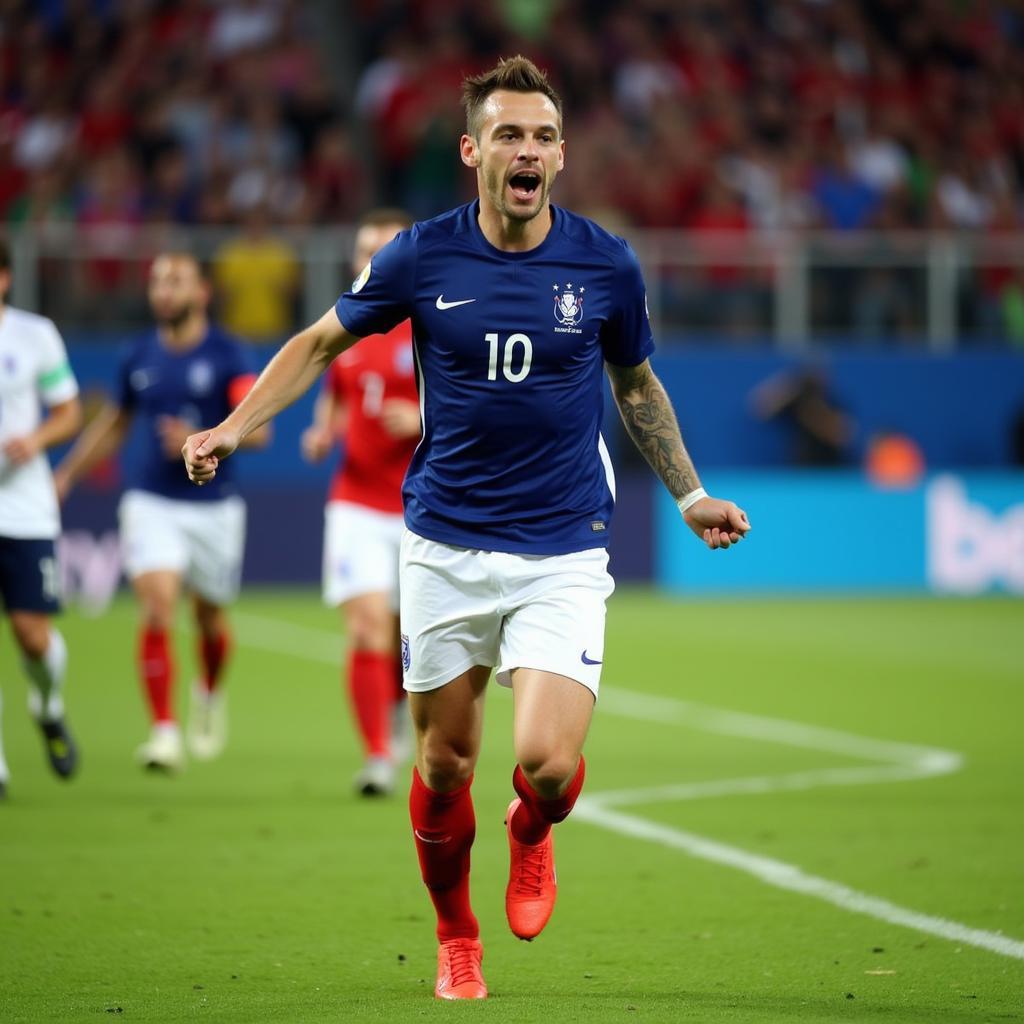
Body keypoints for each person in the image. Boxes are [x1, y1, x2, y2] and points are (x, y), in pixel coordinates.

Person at [182, 56, 750, 1000]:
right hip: (444, 545)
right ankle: (456, 935)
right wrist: (235, 428)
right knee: (444, 766)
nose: (525, 151)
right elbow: (322, 340)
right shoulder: (420, 254)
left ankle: (532, 832)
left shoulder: (606, 262)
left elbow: (636, 383)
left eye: (540, 136)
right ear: (472, 150)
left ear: (561, 155)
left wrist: (689, 497)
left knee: (548, 766)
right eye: (506, 135)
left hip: (564, 544)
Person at [55, 252, 269, 772]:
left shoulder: (227, 355)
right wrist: (65, 475)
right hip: (151, 499)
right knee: (157, 604)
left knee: (209, 618)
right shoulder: (139, 354)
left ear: (202, 293)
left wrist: (209, 440)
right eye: (156, 282)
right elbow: (114, 425)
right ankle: (163, 732)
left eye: (175, 281)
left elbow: (259, 432)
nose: (163, 291)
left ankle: (209, 692)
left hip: (214, 506)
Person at [300, 207, 419, 797]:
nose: (374, 257)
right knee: (367, 627)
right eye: (365, 248)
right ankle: (376, 756)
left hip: (419, 505)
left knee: (404, 636)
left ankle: (397, 710)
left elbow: (478, 403)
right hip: (353, 501)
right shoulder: (346, 326)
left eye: (386, 246)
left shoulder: (431, 323)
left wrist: (423, 417)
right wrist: (324, 430)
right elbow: (339, 394)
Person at [0, 240, 83, 799]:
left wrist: (35, 440)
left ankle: (48, 704)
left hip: (24, 507)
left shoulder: (34, 334)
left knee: (32, 637)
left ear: (5, 278)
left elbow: (69, 412)